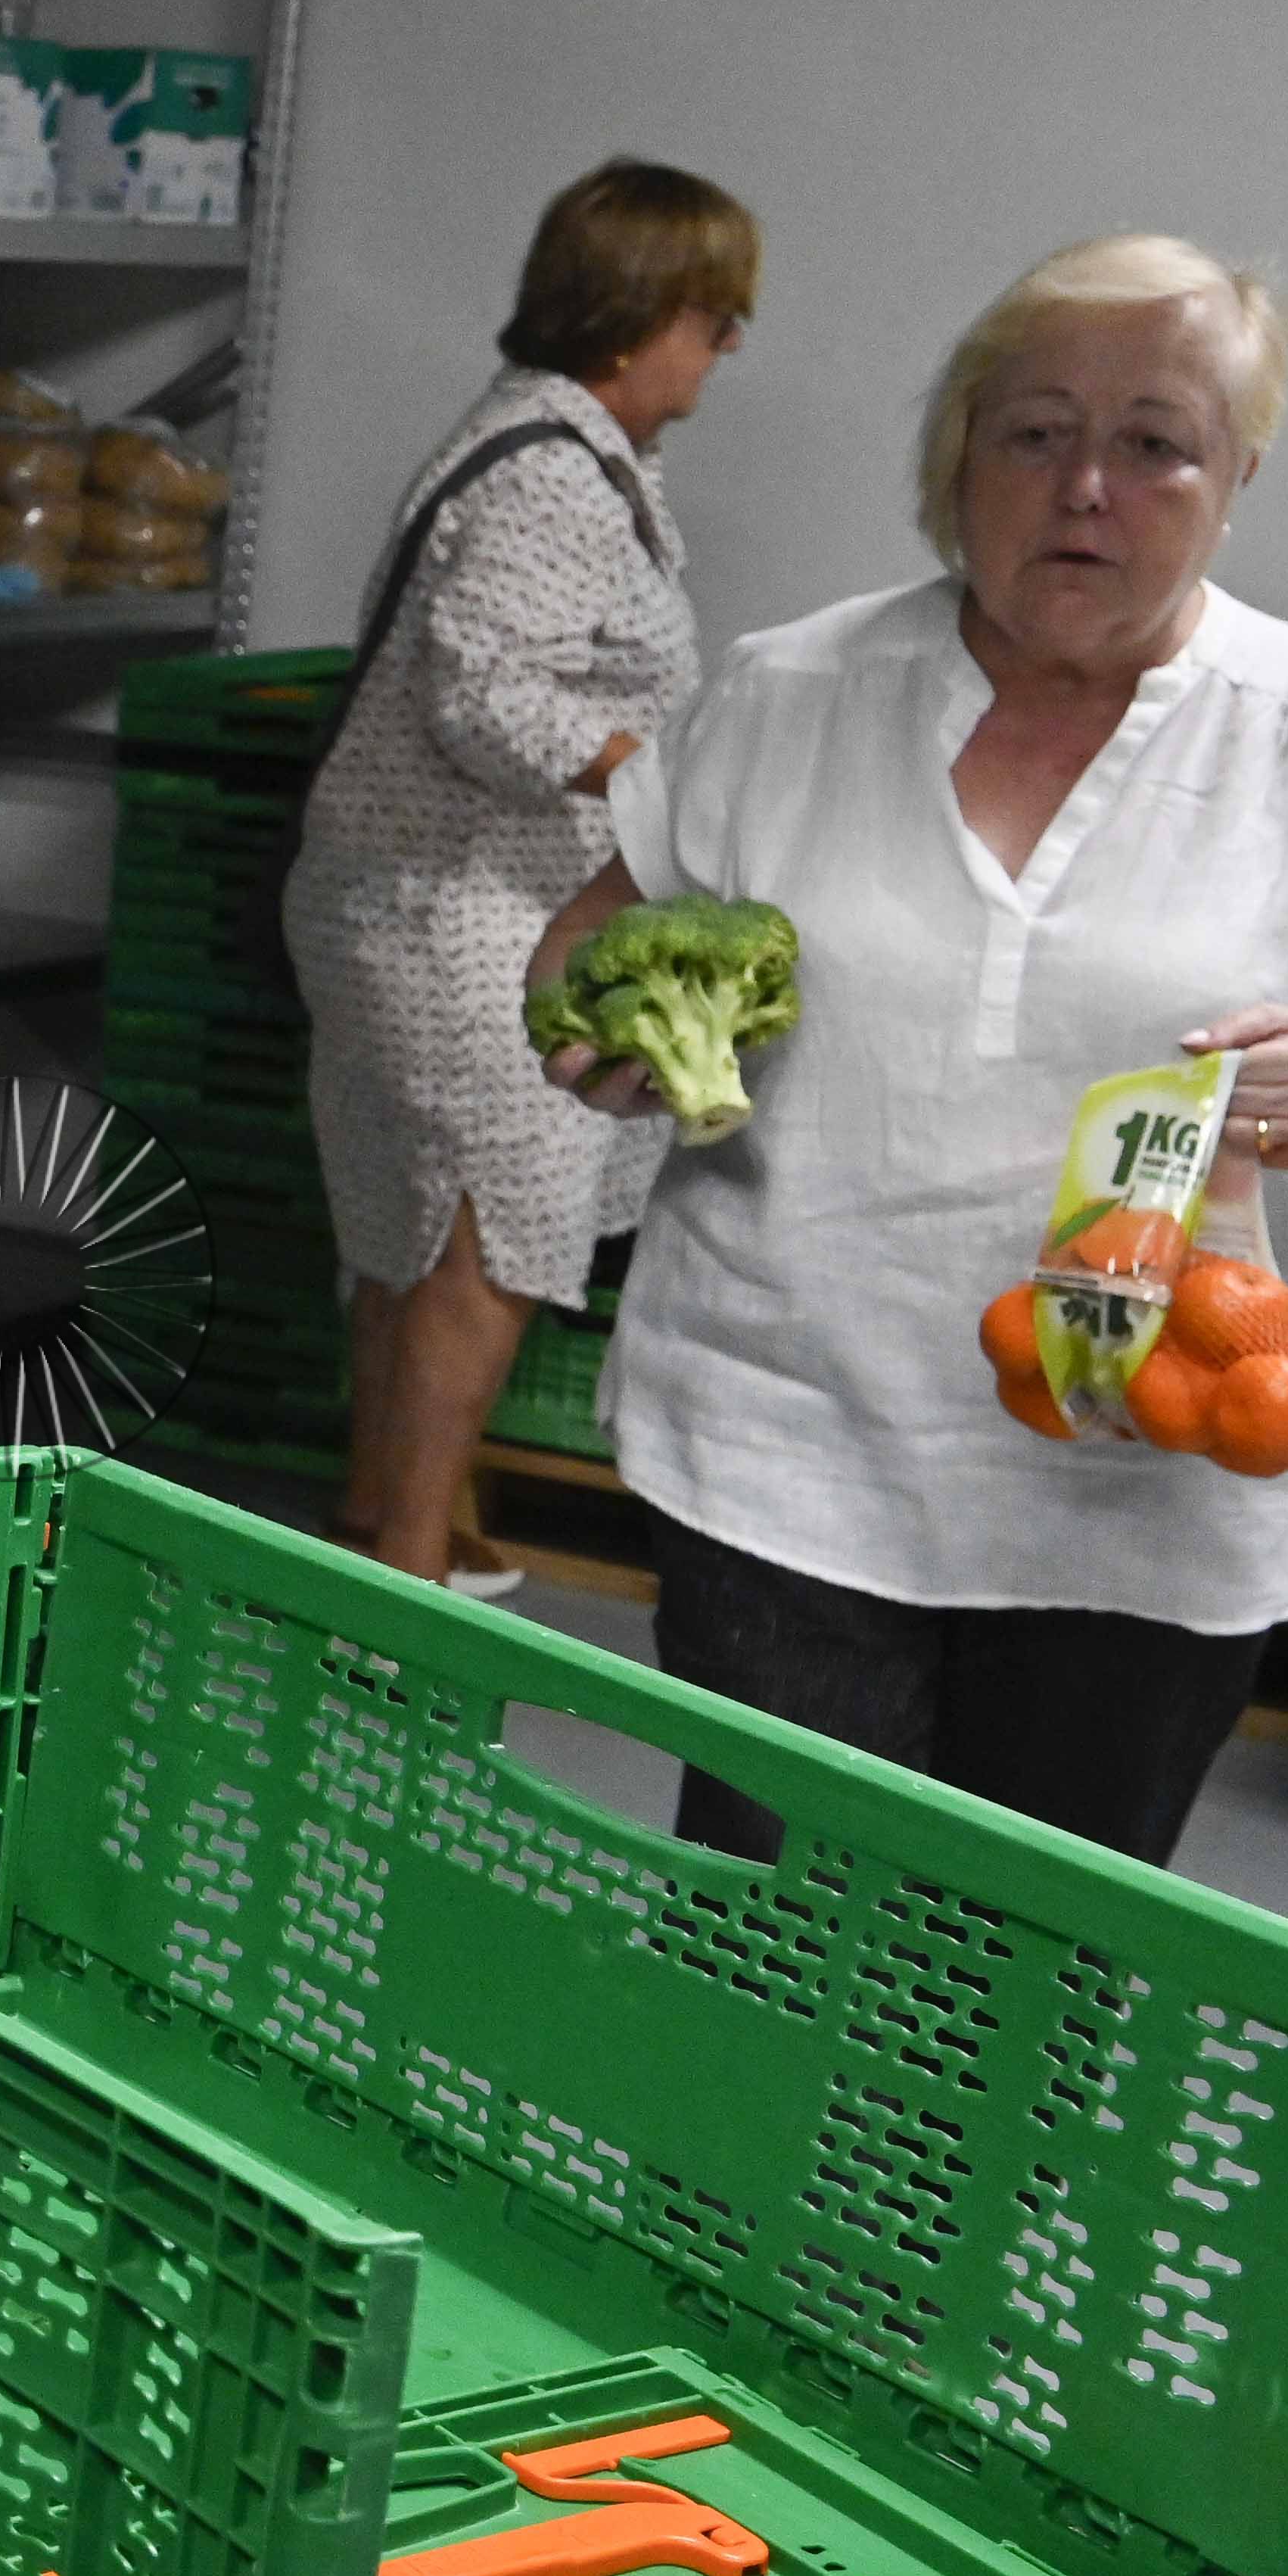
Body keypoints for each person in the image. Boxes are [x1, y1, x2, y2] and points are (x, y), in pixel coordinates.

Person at [534, 233, 1288, 1867]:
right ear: (960, 457)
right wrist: (616, 1036)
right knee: (770, 1964)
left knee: (1030, 1999)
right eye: (1036, 432)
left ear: (1235, 477)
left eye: (1155, 442)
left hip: (1149, 1494)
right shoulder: (792, 690)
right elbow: (588, 943)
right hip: (789, 1450)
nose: (1088, 485)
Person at [285, 158, 756, 1593]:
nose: (727, 348)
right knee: (487, 1238)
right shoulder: (555, 475)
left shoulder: (551, 445)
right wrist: (655, 772)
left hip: (427, 898)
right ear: (641, 314)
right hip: (461, 912)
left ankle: (382, 1527)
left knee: (415, 1227)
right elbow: (484, 696)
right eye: (714, 316)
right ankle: (410, 1580)